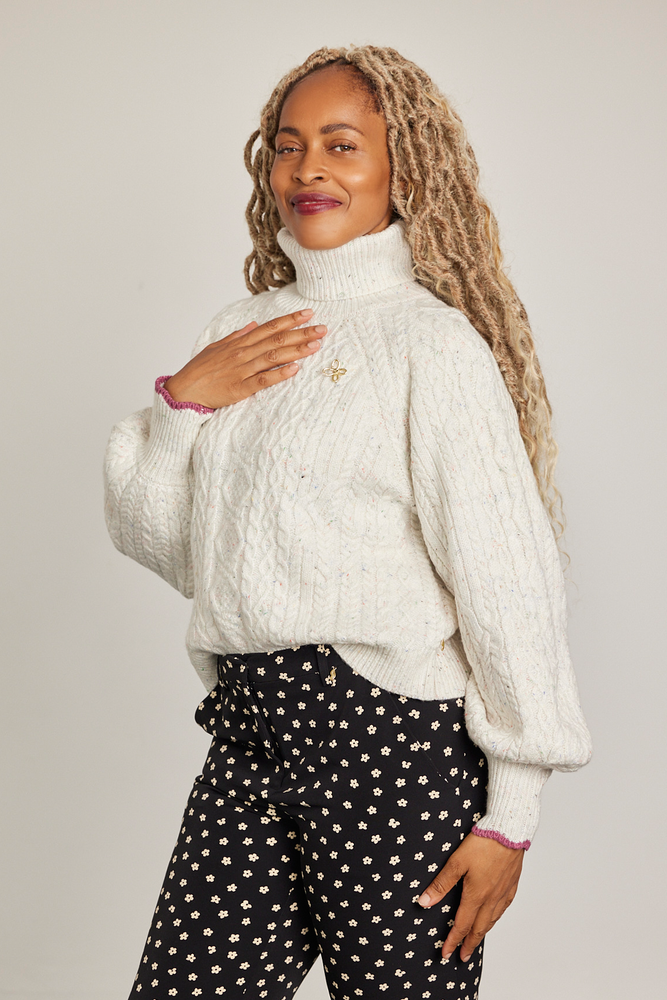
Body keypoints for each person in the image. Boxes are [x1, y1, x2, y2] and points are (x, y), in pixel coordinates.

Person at [104, 45, 592, 1000]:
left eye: (340, 145)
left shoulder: (430, 347)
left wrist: (511, 815)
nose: (308, 170)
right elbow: (174, 551)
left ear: (401, 167)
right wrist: (182, 406)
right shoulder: (236, 332)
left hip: (389, 741)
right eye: (288, 147)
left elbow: (506, 580)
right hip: (250, 729)